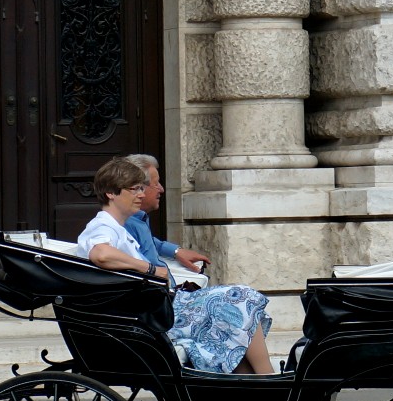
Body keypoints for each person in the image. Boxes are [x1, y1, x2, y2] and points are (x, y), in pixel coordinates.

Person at [77, 155, 274, 375]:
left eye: (142, 188)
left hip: (162, 307)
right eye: (134, 189)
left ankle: (255, 386)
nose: (142, 195)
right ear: (111, 194)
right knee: (240, 297)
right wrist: (150, 270)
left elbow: (145, 246)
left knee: (237, 306)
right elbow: (101, 254)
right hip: (157, 316)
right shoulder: (102, 226)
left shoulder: (118, 227)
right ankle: (268, 377)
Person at [121, 153, 210, 280]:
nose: (161, 189)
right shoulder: (124, 222)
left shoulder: (137, 219)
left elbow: (147, 242)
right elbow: (103, 255)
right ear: (138, 188)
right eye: (156, 183)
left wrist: (175, 251)